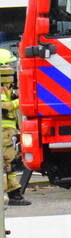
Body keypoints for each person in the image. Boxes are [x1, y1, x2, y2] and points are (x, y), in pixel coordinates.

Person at [1, 50, 28, 205]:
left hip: (8, 132)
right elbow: (5, 107)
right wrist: (20, 100)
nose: (12, 68)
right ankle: (11, 194)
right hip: (3, 132)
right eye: (10, 65)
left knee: (9, 163)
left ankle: (13, 194)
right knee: (6, 164)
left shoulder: (6, 87)